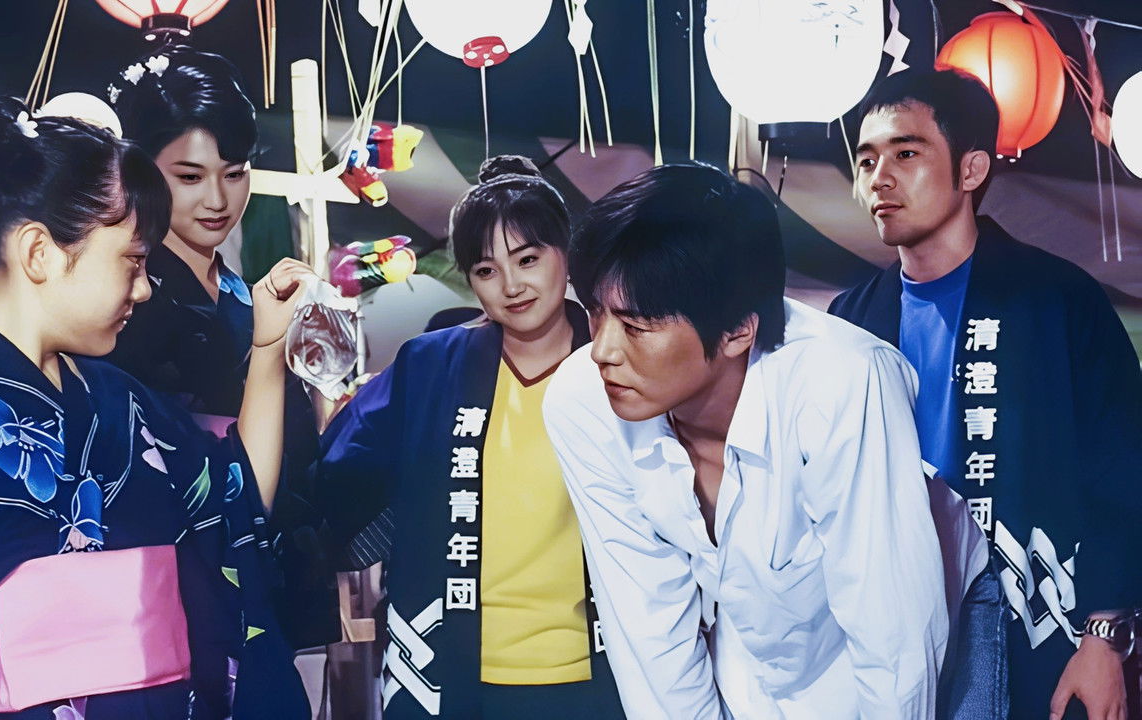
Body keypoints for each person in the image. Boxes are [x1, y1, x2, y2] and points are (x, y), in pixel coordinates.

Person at [0, 97, 313, 719]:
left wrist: (267, 349)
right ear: (39, 253)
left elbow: (234, 512)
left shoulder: (130, 406)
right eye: (133, 260)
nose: (145, 288)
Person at [543, 163, 948, 718]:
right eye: (595, 312)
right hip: (751, 652)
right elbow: (645, 621)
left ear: (737, 329)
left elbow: (894, 635)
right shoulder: (583, 401)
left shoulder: (842, 384)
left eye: (636, 327)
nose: (602, 351)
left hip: (903, 647)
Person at [830, 68, 1142, 720]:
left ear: (970, 169)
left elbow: (1121, 468)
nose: (879, 178)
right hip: (894, 612)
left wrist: (1105, 635)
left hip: (1028, 604)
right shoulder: (849, 319)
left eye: (906, 154)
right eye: (867, 159)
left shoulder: (1058, 299)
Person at [312, 156, 625, 719]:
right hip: (447, 669)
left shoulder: (619, 361)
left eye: (528, 259)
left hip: (603, 670)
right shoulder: (429, 367)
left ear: (567, 253)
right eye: (486, 270)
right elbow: (337, 476)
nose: (512, 285)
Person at [102, 46, 333, 647]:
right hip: (187, 582)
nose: (217, 200)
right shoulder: (126, 304)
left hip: (276, 570)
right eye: (189, 177)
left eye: (234, 173)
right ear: (140, 171)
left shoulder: (244, 294)